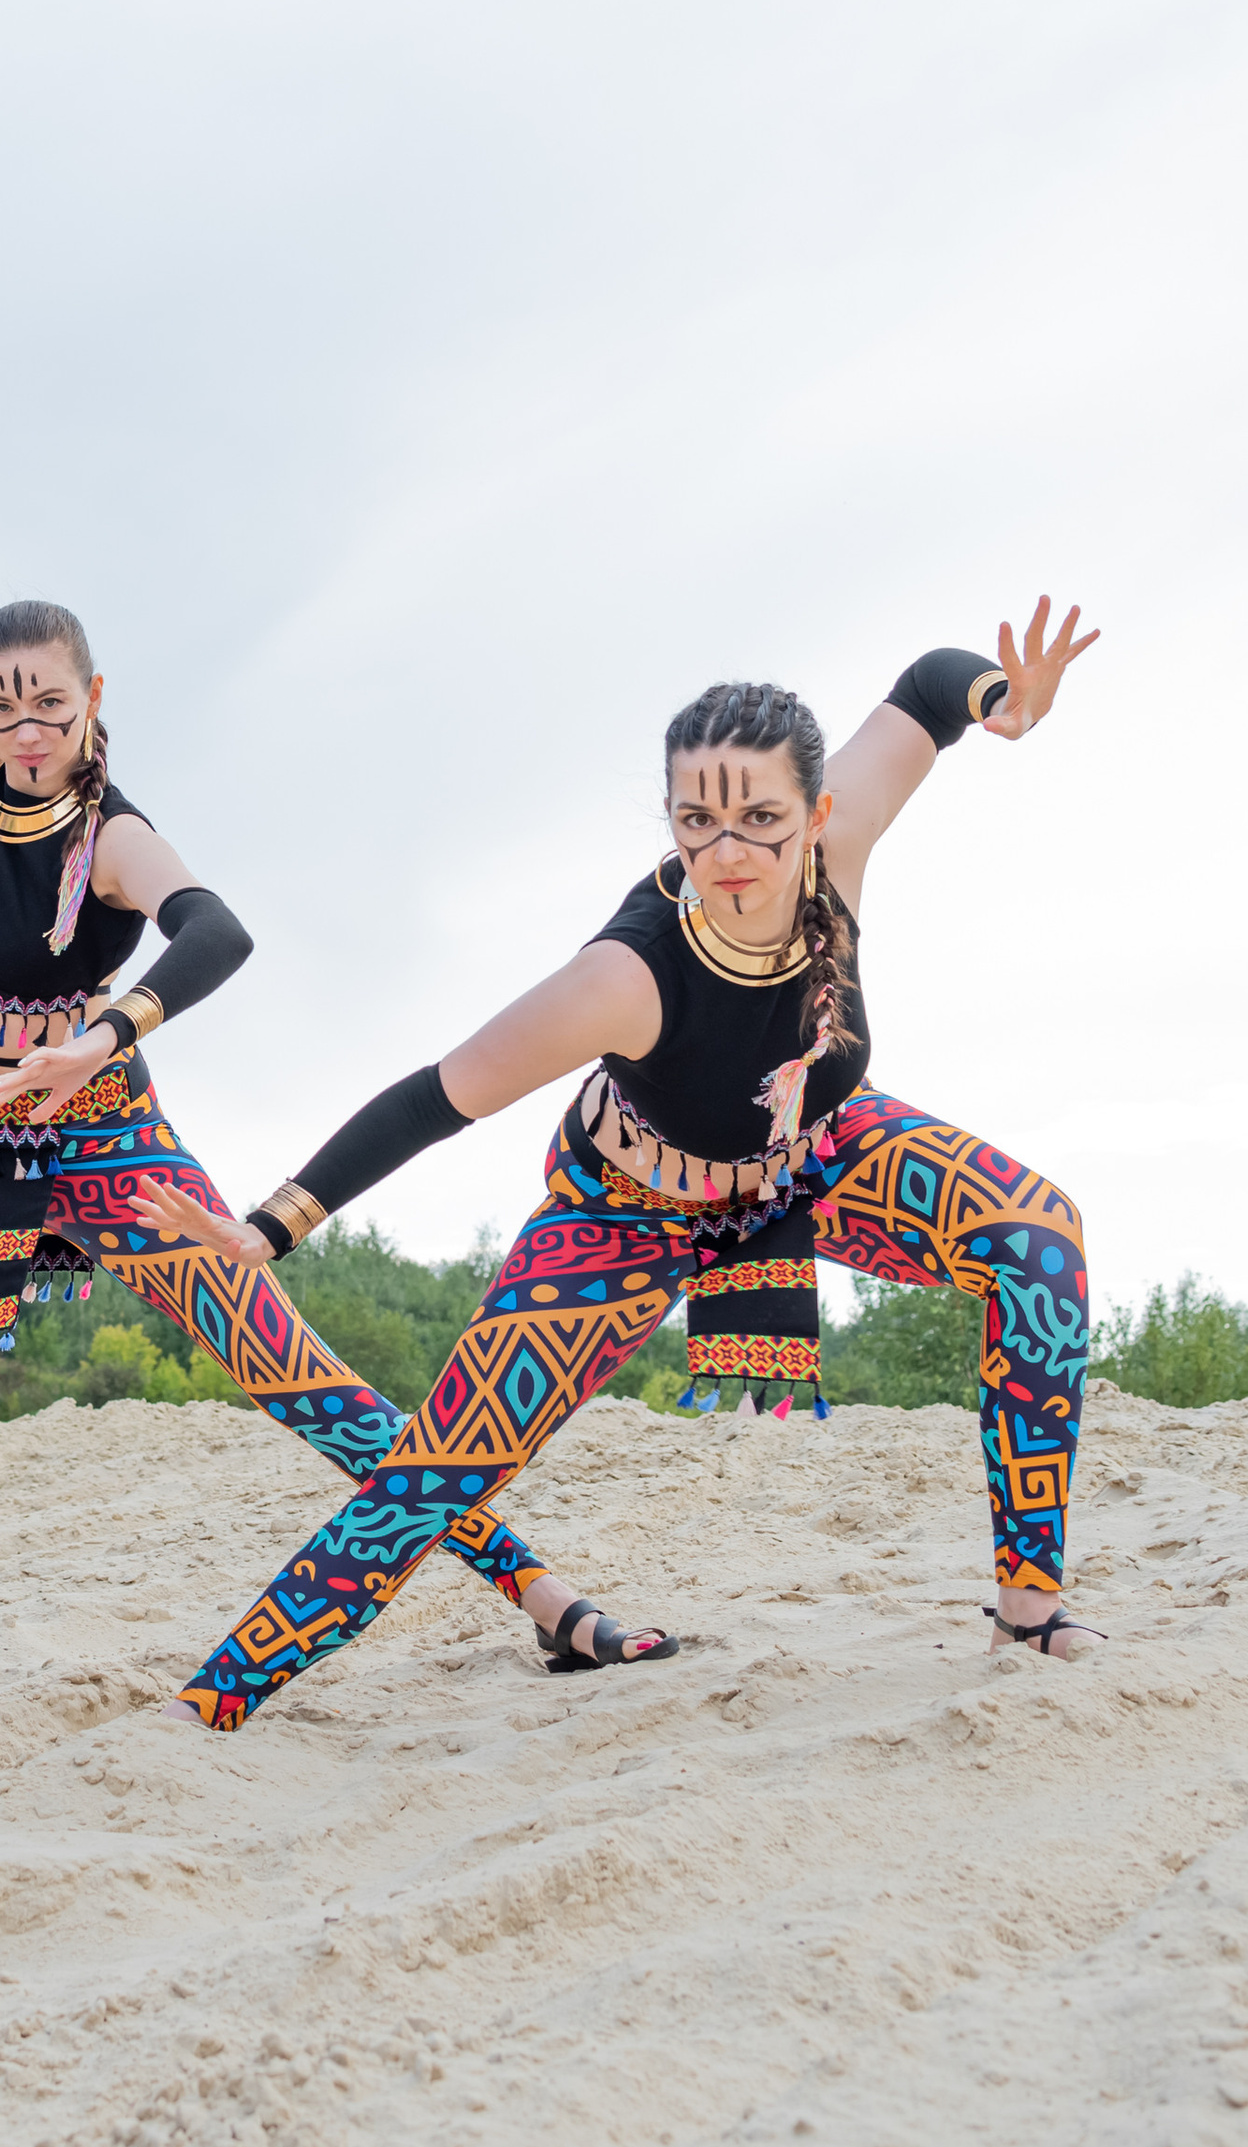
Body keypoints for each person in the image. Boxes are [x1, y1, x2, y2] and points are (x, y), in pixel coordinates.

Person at [0, 320, 669, 1724]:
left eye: (47, 699)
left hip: (98, 1128)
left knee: (292, 1372)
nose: (22, 722)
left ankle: (544, 1599)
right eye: (2, 704)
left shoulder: (110, 836)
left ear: (92, 702)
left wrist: (102, 1038)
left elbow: (217, 930)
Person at [138, 607, 1102, 1730]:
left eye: (759, 819)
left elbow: (932, 685)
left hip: (809, 1153)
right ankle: (211, 1702)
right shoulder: (624, 975)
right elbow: (433, 1096)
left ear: (818, 812)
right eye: (698, 821)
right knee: (438, 1472)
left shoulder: (841, 842)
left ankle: (1026, 1608)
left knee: (1038, 1239)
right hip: (630, 1210)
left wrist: (1004, 704)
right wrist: (266, 1230)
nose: (729, 851)